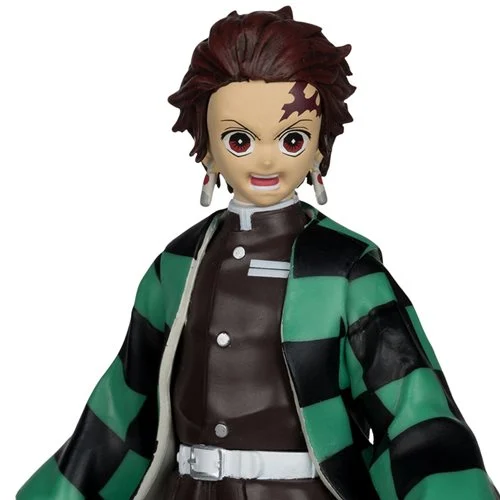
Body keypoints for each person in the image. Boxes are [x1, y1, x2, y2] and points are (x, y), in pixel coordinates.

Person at [17, 6, 498, 500]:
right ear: (207, 149)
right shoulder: (177, 265)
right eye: (240, 139)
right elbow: (123, 408)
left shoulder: (344, 270)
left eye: (292, 139)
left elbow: (414, 411)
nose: (266, 159)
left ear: (319, 149)